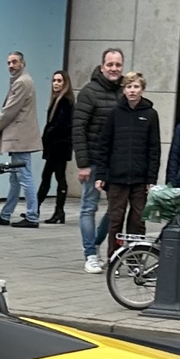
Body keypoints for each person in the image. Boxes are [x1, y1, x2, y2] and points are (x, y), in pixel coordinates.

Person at [89, 71, 163, 247]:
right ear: (124, 90)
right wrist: (101, 174)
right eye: (129, 86)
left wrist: (151, 179)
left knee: (138, 220)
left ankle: (134, 259)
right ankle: (114, 256)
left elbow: (154, 148)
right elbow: (104, 145)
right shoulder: (115, 113)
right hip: (117, 177)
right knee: (116, 219)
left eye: (136, 86)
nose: (132, 90)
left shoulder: (151, 114)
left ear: (142, 90)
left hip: (140, 177)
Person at [71, 47, 126, 269]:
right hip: (93, 160)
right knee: (89, 207)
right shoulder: (89, 92)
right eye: (110, 64)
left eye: (118, 65)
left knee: (114, 209)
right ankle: (90, 254)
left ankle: (94, 243)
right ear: (102, 66)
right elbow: (78, 128)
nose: (114, 69)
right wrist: (83, 164)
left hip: (116, 162)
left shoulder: (124, 92)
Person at [0, 50, 41, 226]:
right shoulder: (22, 81)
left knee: (24, 177)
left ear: (22, 63)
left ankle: (32, 215)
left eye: (14, 62)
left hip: (19, 139)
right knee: (16, 178)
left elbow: (9, 110)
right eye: (9, 62)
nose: (11, 65)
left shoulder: (22, 83)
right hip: (19, 137)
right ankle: (6, 214)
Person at [40, 70, 73, 222]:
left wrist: (48, 135)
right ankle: (42, 209)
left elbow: (60, 124)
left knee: (56, 177)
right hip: (55, 146)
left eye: (59, 81)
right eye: (54, 80)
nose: (56, 84)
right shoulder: (57, 100)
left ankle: (57, 211)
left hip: (59, 146)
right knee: (48, 176)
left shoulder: (65, 101)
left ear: (65, 83)